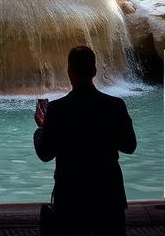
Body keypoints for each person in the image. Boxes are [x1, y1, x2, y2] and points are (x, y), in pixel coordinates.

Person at [33, 46, 136, 236]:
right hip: (108, 195)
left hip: (71, 196)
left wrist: (42, 127)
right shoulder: (115, 106)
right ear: (94, 71)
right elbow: (130, 146)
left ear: (69, 72)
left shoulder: (57, 110)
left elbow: (45, 153)